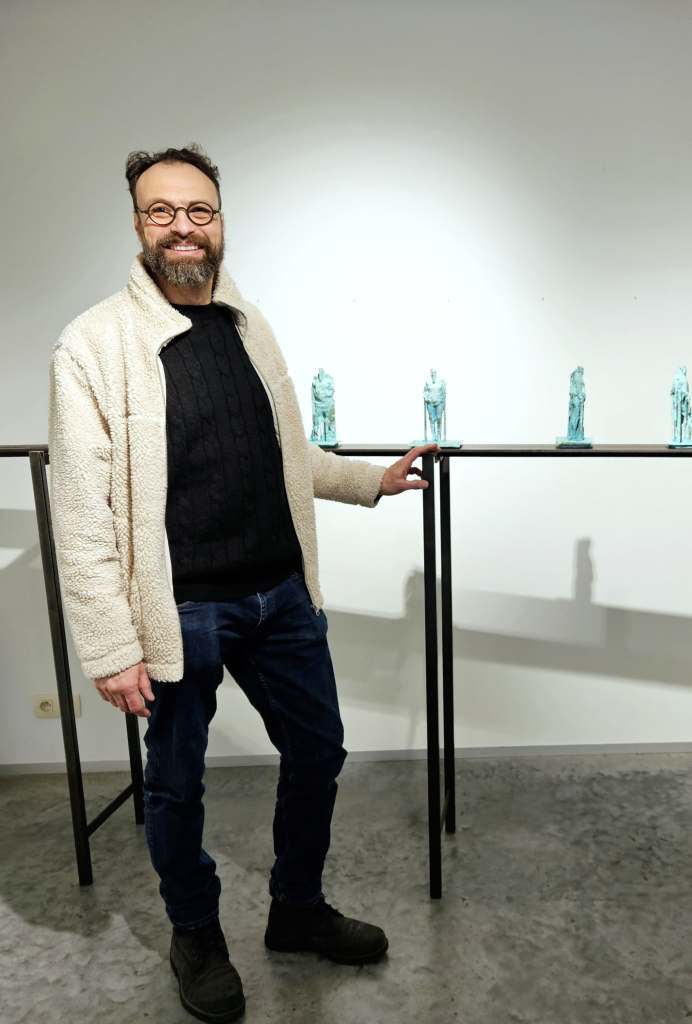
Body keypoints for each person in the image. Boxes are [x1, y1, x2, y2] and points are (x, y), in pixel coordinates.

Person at [47, 143, 439, 1022]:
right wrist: (110, 645)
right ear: (138, 224)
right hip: (180, 609)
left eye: (200, 210)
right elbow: (80, 512)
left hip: (280, 593)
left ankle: (296, 909)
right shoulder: (93, 344)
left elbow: (283, 448)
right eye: (162, 211)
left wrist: (368, 480)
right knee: (176, 785)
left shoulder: (247, 323)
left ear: (220, 221)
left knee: (319, 751)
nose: (183, 227)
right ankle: (195, 933)